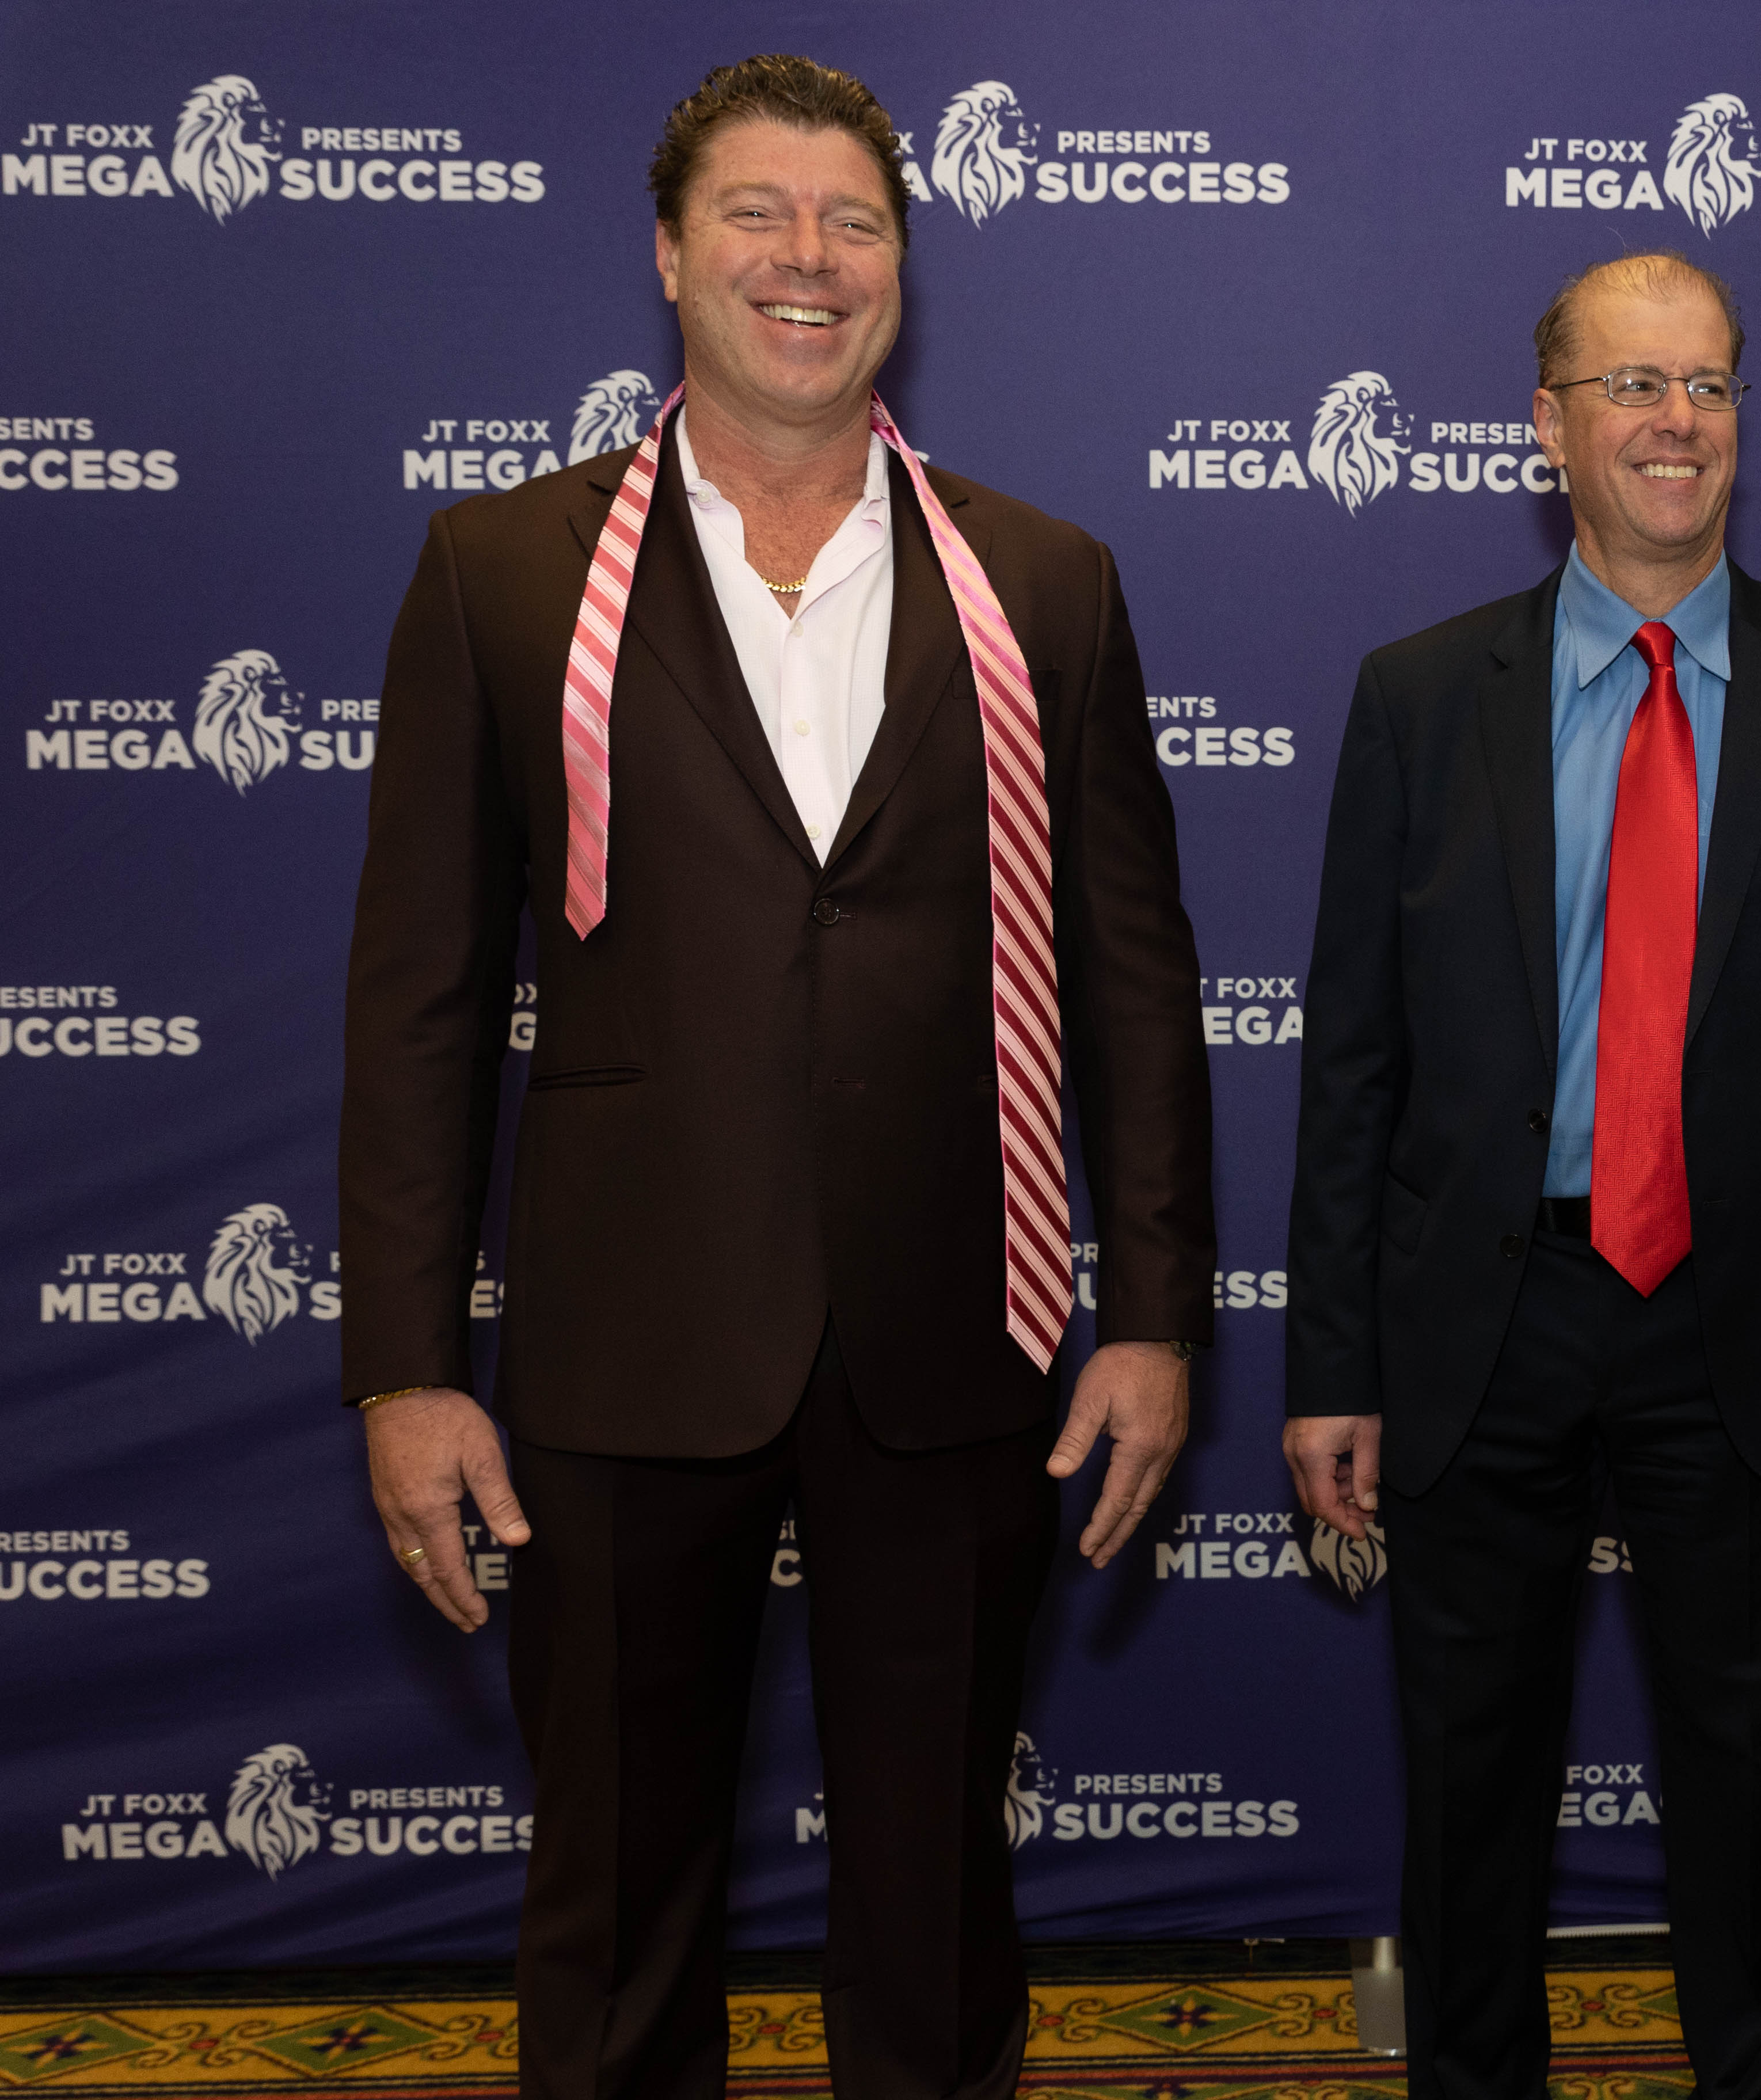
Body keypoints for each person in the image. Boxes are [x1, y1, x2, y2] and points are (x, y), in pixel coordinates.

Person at [338, 55, 1214, 2100]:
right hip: (623, 1347)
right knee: (617, 1910)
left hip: (959, 1337)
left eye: (853, 221)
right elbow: (420, 1003)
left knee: (935, 1908)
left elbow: (1134, 979)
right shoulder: (500, 571)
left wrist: (1157, 1310)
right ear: (669, 255)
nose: (807, 258)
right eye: (757, 212)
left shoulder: (1046, 581)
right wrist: (404, 1371)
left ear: (901, 265)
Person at [1283, 252, 1761, 2100]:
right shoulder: (1420, 698)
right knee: (1469, 1796)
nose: (1679, 422)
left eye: (1711, 386)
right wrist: (1331, 1362)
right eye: (1635, 385)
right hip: (1480, 1318)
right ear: (1550, 425)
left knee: (1749, 1799)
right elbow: (1351, 1065)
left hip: (1742, 1327)